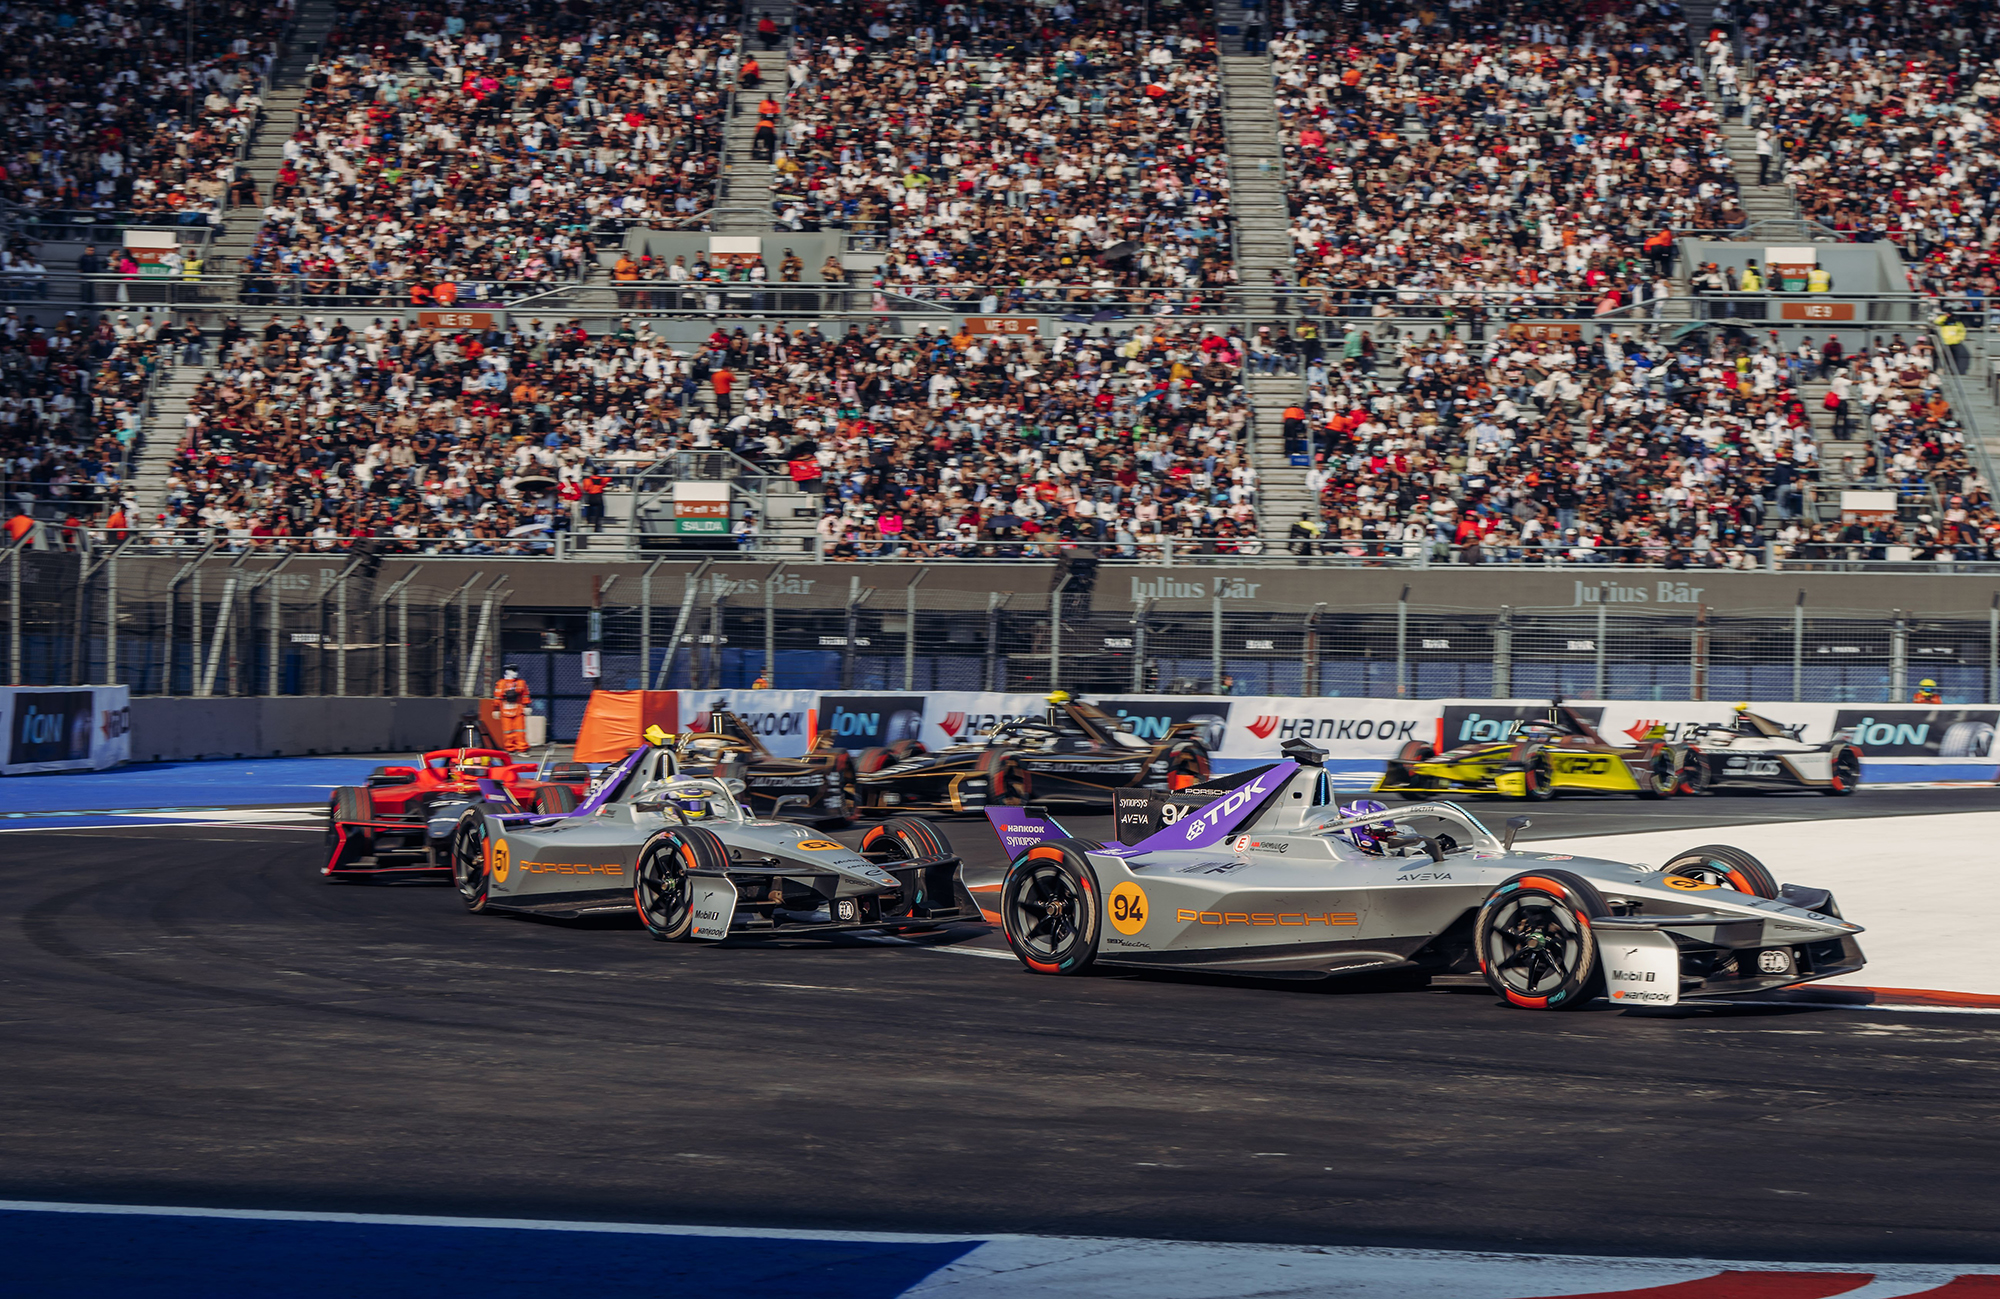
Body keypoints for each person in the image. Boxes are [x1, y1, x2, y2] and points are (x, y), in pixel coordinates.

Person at [492, 665, 533, 752]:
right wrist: (496, 709)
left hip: (518, 709)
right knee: (507, 731)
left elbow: (525, 695)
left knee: (520, 731)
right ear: (507, 672)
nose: (515, 673)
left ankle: (522, 748)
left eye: (515, 671)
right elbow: (497, 697)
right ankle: (509, 748)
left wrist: (527, 706)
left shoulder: (521, 683)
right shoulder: (501, 683)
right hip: (505, 710)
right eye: (513, 670)